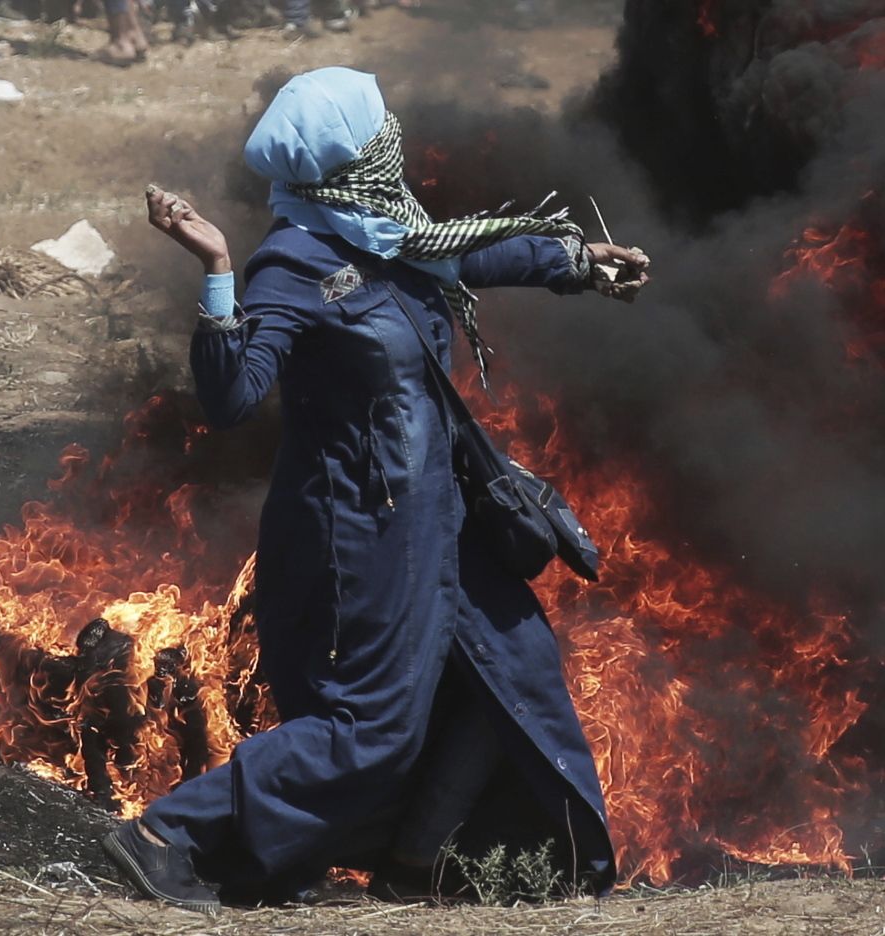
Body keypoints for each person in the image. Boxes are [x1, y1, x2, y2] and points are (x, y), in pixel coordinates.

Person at [105, 67, 650, 912]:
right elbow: (233, 396)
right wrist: (217, 269)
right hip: (363, 529)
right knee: (373, 727)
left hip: (444, 512)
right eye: (380, 134)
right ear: (353, 162)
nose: (395, 141)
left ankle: (412, 861)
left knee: (513, 673)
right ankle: (169, 833)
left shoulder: (388, 231)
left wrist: (575, 262)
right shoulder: (296, 262)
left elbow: (465, 250)